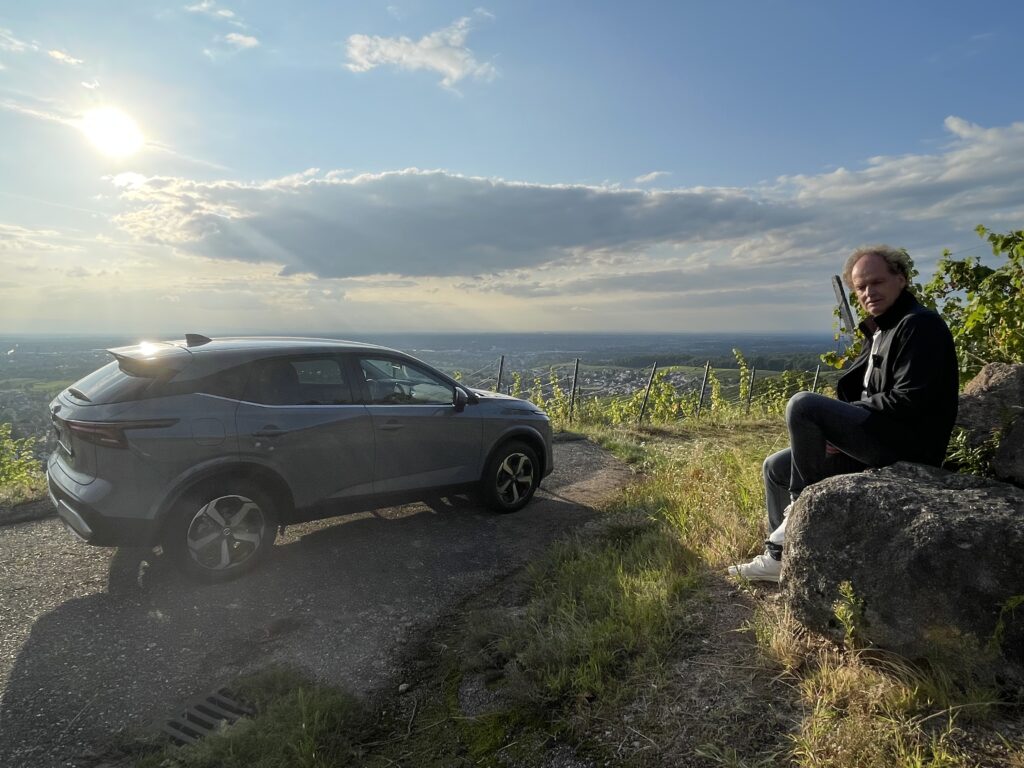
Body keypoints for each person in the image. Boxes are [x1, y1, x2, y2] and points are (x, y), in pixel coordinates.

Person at [729, 245, 959, 582]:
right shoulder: (879, 330)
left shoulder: (919, 326)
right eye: (861, 288)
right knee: (775, 467)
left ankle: (799, 514)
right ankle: (781, 559)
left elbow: (911, 400)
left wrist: (845, 422)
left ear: (901, 279)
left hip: (908, 447)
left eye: (877, 282)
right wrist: (844, 431)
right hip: (876, 439)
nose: (869, 293)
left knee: (803, 404)